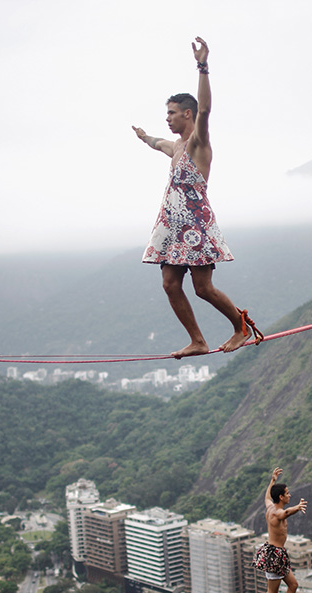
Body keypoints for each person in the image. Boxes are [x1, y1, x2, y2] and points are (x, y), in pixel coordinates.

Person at [132, 36, 261, 359]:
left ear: (187, 114)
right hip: (172, 225)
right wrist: (144, 137)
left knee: (202, 288)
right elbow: (157, 142)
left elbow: (206, 109)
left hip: (195, 224)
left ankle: (240, 327)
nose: (168, 118)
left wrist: (202, 66)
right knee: (169, 284)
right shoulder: (174, 147)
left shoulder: (198, 143)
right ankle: (198, 340)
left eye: (173, 113)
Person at [251, 467, 307, 593]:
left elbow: (267, 497)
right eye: (287, 493)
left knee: (293, 584)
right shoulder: (276, 513)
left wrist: (273, 481)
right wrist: (297, 507)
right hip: (274, 556)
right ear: (281, 497)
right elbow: (286, 513)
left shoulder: (270, 506)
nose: (289, 495)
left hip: (277, 554)